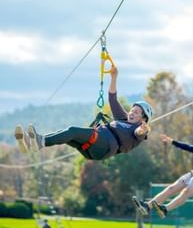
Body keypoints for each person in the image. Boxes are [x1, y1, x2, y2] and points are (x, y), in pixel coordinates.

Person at [14, 66, 152, 160]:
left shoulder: (137, 130)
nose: (132, 113)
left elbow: (139, 133)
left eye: (136, 112)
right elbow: (112, 98)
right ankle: (30, 143)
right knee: (68, 134)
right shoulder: (123, 119)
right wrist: (114, 77)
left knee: (73, 130)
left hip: (104, 146)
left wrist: (143, 129)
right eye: (132, 110)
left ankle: (40, 142)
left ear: (143, 118)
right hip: (93, 148)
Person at [135, 128, 193, 218]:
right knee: (172, 188)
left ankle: (165, 209)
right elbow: (187, 147)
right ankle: (147, 206)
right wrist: (172, 141)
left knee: (186, 191)